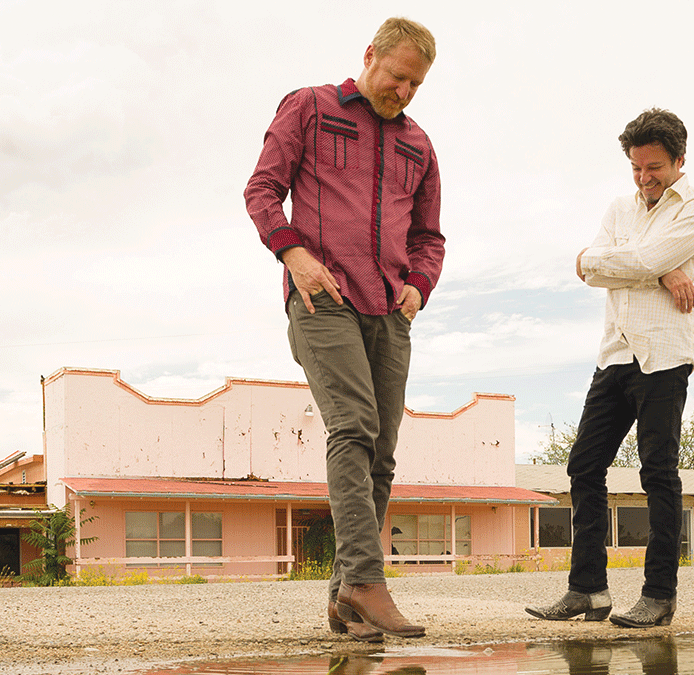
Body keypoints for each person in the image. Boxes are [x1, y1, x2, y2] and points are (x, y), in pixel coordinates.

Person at [244, 17, 445, 642]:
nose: (404, 91)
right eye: (396, 76)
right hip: (322, 298)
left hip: (390, 309)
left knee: (381, 452)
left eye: (416, 83)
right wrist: (293, 254)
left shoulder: (420, 145)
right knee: (353, 427)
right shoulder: (310, 107)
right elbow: (262, 190)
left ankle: (346, 599)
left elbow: (428, 236)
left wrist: (419, 285)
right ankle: (364, 578)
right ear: (370, 56)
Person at [526, 108, 694, 628]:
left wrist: (643, 262)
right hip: (615, 354)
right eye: (635, 167)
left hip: (664, 356)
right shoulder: (619, 208)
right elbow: (589, 268)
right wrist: (661, 267)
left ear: (680, 160)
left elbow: (616, 263)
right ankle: (588, 591)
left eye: (653, 167)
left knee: (657, 473)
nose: (643, 177)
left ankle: (659, 596)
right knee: (583, 467)